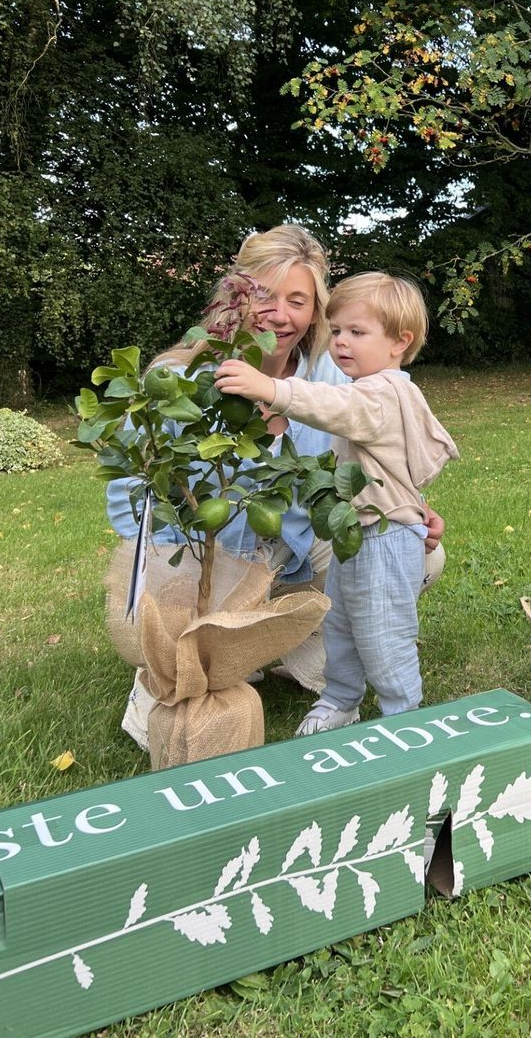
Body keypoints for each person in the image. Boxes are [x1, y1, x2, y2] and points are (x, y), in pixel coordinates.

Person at [106, 226, 445, 747]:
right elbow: (130, 486)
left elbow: (380, 437)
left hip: (294, 554)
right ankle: (217, 650)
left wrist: (410, 504)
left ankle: (283, 645)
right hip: (209, 554)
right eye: (263, 294)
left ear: (315, 310)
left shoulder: (338, 372)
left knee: (414, 557)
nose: (279, 315)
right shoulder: (183, 377)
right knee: (169, 647)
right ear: (236, 295)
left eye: (297, 301)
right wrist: (171, 568)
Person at [216, 271, 459, 736]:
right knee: (341, 625)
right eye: (337, 330)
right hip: (357, 531)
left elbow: (331, 405)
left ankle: (404, 718)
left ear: (400, 342)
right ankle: (341, 700)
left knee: (383, 632)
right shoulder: (375, 387)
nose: (341, 342)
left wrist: (270, 388)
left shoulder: (381, 392)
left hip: (383, 538)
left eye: (357, 332)